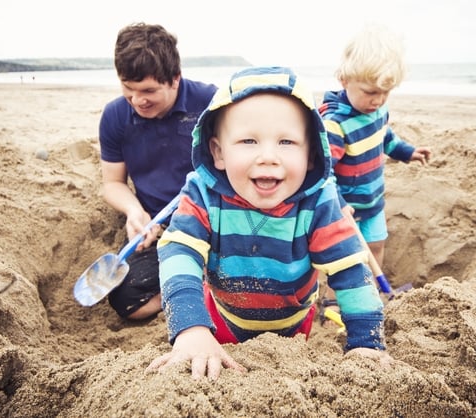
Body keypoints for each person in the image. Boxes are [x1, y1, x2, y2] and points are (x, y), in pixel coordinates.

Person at [146, 66, 394, 380]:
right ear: (218, 152)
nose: (268, 156)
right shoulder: (203, 194)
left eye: (287, 142)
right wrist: (192, 329)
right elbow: (178, 251)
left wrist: (365, 341)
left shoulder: (318, 202)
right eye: (249, 141)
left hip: (292, 330)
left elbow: (350, 271)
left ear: (312, 156)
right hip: (221, 319)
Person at [98, 23, 217, 321]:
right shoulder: (115, 116)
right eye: (129, 89)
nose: (138, 100)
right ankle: (200, 287)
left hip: (217, 218)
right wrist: (134, 211)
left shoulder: (211, 104)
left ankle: (203, 284)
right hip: (159, 226)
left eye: (149, 90)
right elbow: (112, 183)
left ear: (175, 79)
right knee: (127, 301)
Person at [319, 23, 432, 274]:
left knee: (376, 246)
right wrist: (338, 203)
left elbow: (384, 136)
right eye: (370, 92)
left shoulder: (377, 110)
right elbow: (322, 171)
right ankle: (334, 302)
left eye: (386, 93)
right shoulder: (335, 124)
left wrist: (406, 152)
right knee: (348, 258)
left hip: (373, 200)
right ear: (344, 80)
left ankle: (372, 293)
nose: (378, 100)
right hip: (344, 207)